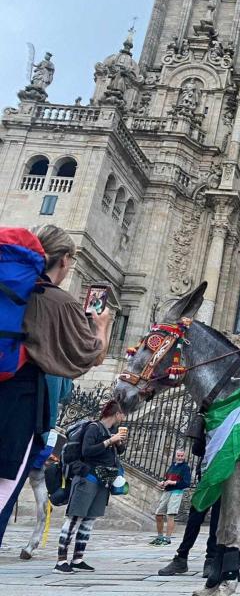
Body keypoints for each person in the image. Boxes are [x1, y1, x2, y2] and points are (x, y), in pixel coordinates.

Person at [0, 225, 111, 546]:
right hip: (19, 405)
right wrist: (101, 326)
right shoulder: (57, 301)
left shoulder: (10, 288)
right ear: (64, 260)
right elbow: (93, 355)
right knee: (4, 491)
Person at [54, 399, 127, 573]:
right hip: (87, 478)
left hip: (103, 480)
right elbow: (87, 451)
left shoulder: (110, 431)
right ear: (117, 414)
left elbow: (118, 452)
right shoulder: (94, 428)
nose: (123, 417)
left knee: (89, 519)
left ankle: (78, 559)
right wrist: (109, 441)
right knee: (75, 518)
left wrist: (117, 442)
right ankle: (61, 561)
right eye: (122, 414)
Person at [150, 449, 192, 546]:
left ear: (184, 456)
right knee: (158, 514)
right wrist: (163, 482)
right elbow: (168, 478)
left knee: (170, 514)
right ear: (175, 455)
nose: (180, 457)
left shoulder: (185, 468)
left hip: (176, 492)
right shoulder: (173, 466)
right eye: (178, 455)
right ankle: (160, 537)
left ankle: (168, 538)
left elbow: (186, 483)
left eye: (181, 456)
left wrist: (172, 482)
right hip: (167, 491)